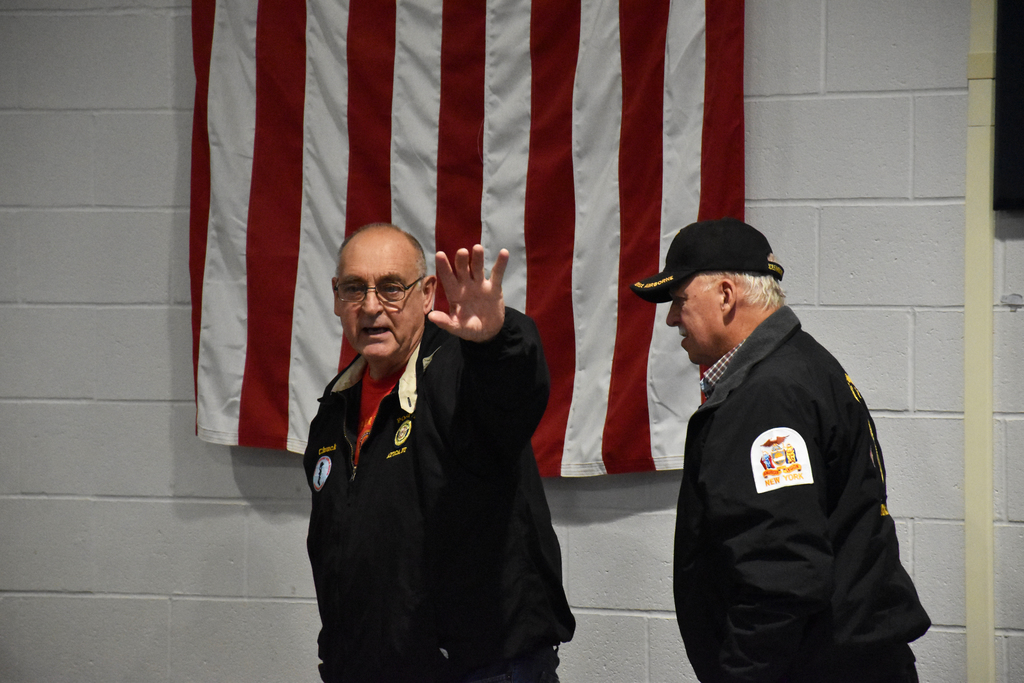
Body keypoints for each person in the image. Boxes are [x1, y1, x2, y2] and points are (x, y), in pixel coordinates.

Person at [630, 218, 930, 683]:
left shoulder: (766, 396)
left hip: (815, 667)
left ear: (726, 295)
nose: (671, 318)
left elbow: (781, 574)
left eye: (678, 300)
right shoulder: (802, 365)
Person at [303, 223, 575, 683]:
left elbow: (514, 393)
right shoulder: (335, 410)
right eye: (354, 289)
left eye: (391, 288)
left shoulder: (460, 374)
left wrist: (496, 341)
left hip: (481, 670)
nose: (371, 307)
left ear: (427, 293)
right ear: (336, 297)